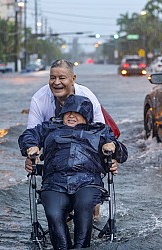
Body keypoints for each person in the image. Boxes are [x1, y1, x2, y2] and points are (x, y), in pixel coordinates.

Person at [19, 95, 128, 249]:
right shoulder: (50, 127)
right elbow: (28, 135)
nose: (71, 116)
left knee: (84, 207)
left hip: (88, 182)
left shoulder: (100, 131)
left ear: (87, 116)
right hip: (54, 182)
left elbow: (123, 155)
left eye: (77, 113)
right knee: (53, 212)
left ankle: (81, 247)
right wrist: (31, 146)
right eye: (68, 112)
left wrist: (113, 146)